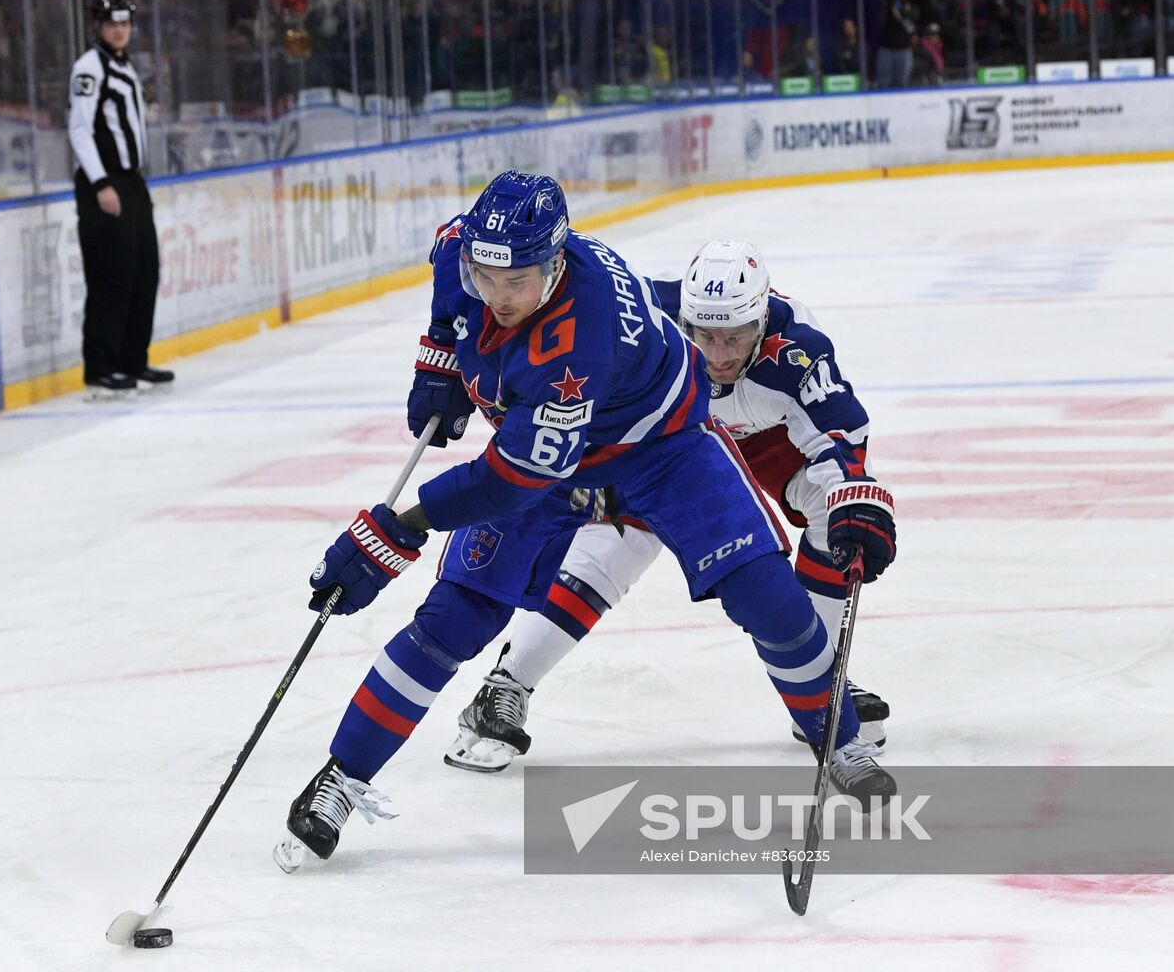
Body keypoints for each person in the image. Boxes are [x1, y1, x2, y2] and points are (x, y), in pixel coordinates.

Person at [273, 173, 898, 871]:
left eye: (520, 282)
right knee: (453, 619)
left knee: (771, 602)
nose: (501, 296)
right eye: (488, 277)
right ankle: (343, 774)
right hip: (552, 452)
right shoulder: (466, 252)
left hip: (666, 453)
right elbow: (452, 282)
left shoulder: (576, 339)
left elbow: (510, 480)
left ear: (558, 260)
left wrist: (397, 527)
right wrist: (440, 366)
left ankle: (835, 736)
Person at [445, 238, 895, 773]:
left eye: (735, 337)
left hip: (764, 440)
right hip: (674, 436)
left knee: (832, 506)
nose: (720, 354)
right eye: (704, 335)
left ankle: (823, 686)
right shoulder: (644, 310)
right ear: (684, 319)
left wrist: (852, 496)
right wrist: (453, 368)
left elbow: (840, 442)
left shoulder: (797, 350)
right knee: (622, 540)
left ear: (763, 315)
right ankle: (508, 682)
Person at [68, 0, 170, 399]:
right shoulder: (89, 68)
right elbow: (79, 129)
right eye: (112, 24)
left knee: (144, 271)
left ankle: (132, 359)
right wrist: (100, 183)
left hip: (131, 182)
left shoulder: (125, 66)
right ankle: (101, 367)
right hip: (105, 184)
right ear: (99, 26)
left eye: (125, 23)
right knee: (112, 276)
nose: (119, 30)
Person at [876, 0, 917, 89]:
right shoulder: (888, 5)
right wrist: (889, 0)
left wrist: (898, 5)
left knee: (902, 82)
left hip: (904, 50)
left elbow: (911, 25)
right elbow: (880, 21)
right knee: (884, 82)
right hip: (886, 50)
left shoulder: (911, 6)